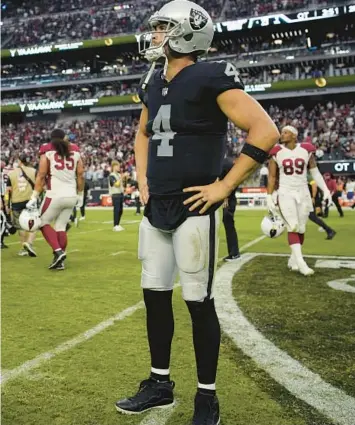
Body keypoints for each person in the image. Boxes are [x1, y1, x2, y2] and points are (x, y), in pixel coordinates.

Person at [114, 1, 279, 424]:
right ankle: (159, 383)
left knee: (197, 301)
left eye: (164, 27)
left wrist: (225, 185)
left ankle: (207, 397)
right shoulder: (153, 78)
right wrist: (143, 179)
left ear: (188, 32)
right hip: (158, 205)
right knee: (154, 296)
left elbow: (266, 131)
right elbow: (142, 133)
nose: (154, 34)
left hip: (194, 205)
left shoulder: (210, 75)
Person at [267, 125, 332, 276]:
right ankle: (301, 263)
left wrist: (326, 190)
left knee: (301, 228)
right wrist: (269, 195)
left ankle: (293, 259)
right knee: (293, 226)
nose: (282, 135)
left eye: (285, 132)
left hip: (303, 192)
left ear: (294, 135)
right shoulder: (277, 152)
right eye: (282, 132)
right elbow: (272, 176)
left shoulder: (306, 150)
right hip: (285, 192)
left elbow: (315, 173)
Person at [26, 129, 85, 270]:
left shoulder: (47, 150)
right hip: (71, 195)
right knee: (61, 226)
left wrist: (34, 195)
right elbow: (81, 174)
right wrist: (80, 194)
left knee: (41, 222)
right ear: (64, 138)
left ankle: (58, 251)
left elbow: (41, 174)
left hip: (54, 194)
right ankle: (60, 260)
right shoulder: (75, 150)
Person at [6, 155, 37, 257]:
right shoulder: (33, 171)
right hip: (30, 201)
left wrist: (7, 204)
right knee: (33, 225)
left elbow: (8, 191)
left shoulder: (11, 174)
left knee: (20, 227)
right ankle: (29, 244)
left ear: (19, 161)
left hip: (16, 202)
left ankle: (23, 248)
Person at [221, 156, 240, 261]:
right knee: (228, 223)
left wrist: (225, 197)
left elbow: (227, 182)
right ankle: (234, 253)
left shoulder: (223, 164)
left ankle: (234, 253)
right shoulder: (228, 163)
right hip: (228, 197)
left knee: (228, 222)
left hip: (227, 198)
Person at [109, 161, 125, 232]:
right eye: (118, 166)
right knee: (117, 210)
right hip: (115, 194)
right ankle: (115, 225)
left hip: (120, 193)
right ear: (114, 167)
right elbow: (116, 184)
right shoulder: (112, 175)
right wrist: (121, 178)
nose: (119, 167)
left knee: (120, 210)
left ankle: (118, 224)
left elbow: (121, 184)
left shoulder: (118, 175)